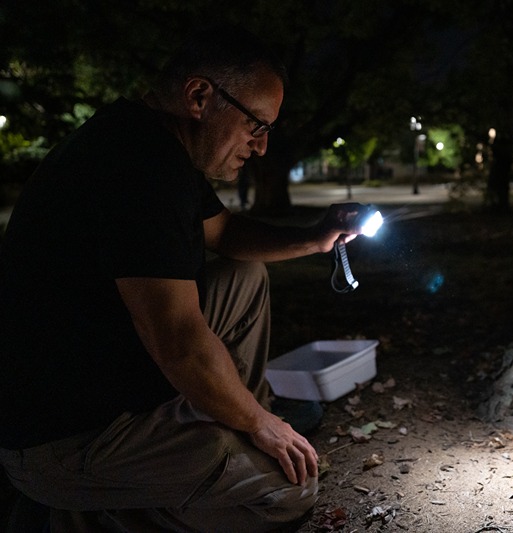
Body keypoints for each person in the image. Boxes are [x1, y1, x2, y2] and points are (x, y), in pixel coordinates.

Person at [0, 26, 368, 532]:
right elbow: (180, 341)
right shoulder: (138, 169)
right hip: (63, 438)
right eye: (256, 125)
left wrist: (316, 236)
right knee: (288, 491)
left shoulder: (152, 144)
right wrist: (262, 426)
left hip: (110, 376)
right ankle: (68, 518)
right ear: (200, 96)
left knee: (244, 277)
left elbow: (228, 234)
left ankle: (229, 427)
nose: (260, 147)